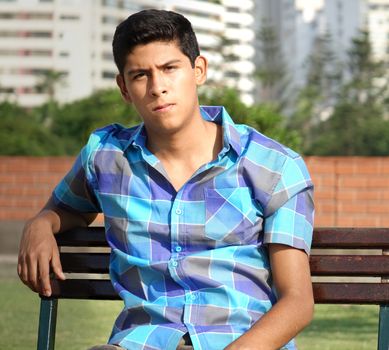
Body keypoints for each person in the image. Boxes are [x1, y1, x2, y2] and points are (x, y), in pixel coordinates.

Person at [17, 9, 314, 350]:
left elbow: (297, 302)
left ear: (198, 70)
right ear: (124, 88)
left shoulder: (274, 167)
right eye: (140, 75)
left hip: (239, 342)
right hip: (140, 343)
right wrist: (40, 224)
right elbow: (66, 208)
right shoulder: (106, 157)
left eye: (170, 68)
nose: (157, 87)